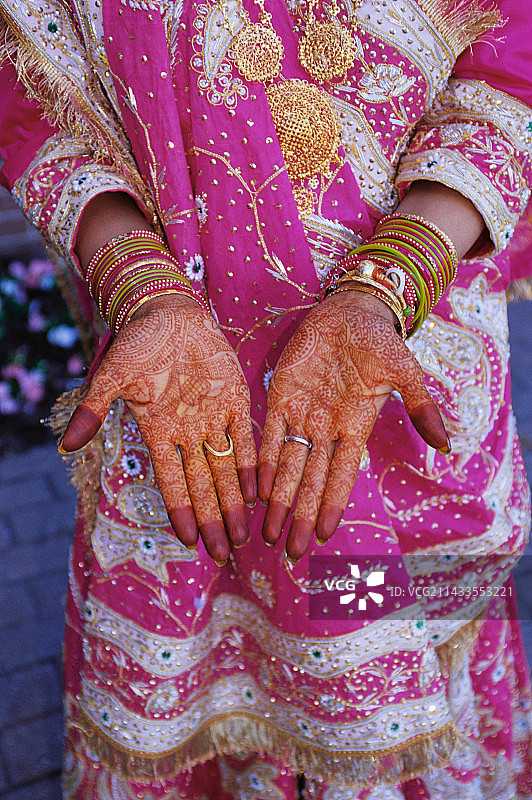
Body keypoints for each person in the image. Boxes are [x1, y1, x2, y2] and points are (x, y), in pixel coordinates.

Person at [0, 0, 531, 797]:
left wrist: (390, 281)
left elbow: (508, 64)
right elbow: (34, 96)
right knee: (215, 650)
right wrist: (138, 283)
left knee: (380, 629)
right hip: (181, 410)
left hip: (391, 392)